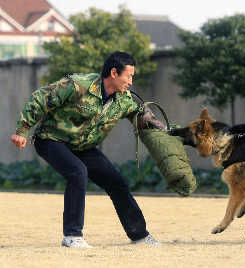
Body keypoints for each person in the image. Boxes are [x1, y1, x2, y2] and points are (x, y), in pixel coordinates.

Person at [11, 51, 166, 248]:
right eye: (129, 76)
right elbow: (41, 98)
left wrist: (169, 134)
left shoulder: (124, 99)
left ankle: (139, 235)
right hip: (51, 139)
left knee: (116, 182)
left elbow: (143, 117)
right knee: (77, 172)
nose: (131, 82)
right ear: (113, 73)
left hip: (83, 146)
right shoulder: (78, 85)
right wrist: (22, 129)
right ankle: (72, 236)